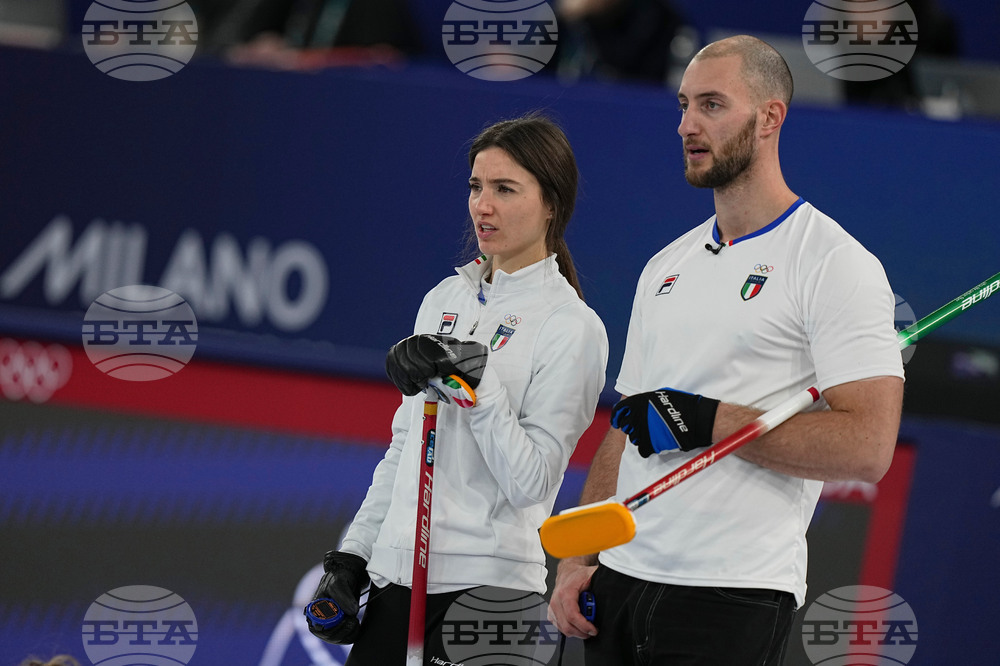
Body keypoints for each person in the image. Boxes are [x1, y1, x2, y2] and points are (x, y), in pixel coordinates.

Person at [548, 35, 904, 664]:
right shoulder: (665, 265)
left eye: (712, 104)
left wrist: (709, 420)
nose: (687, 124)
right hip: (620, 581)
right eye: (684, 105)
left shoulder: (835, 264)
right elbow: (627, 426)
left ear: (770, 117)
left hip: (731, 595)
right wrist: (580, 553)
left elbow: (867, 448)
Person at [307, 113, 609, 664]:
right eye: (476, 186)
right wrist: (353, 557)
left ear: (551, 204)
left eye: (504, 189)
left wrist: (477, 384)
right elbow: (405, 448)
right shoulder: (443, 299)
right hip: (399, 579)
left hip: (491, 597)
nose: (482, 206)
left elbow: (532, 484)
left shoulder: (572, 326)